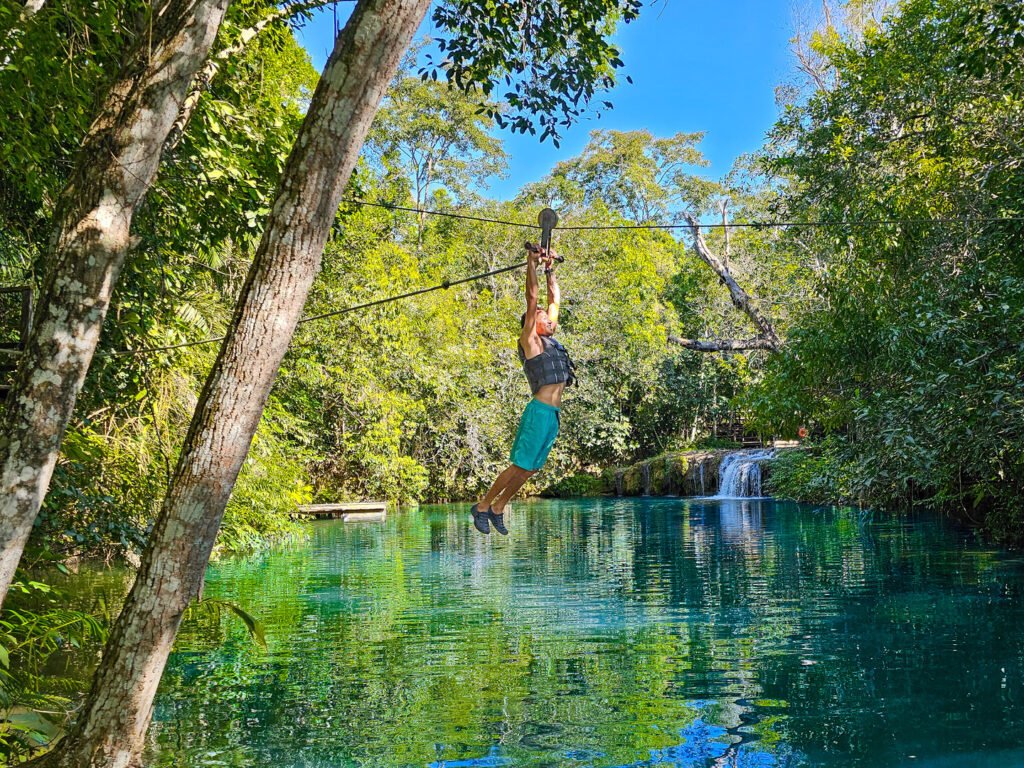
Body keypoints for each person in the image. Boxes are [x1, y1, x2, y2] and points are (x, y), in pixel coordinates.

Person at [470, 244, 575, 535]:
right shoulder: (530, 341)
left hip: (552, 415)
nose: (549, 320)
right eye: (544, 317)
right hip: (539, 412)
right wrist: (531, 263)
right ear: (533, 323)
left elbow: (554, 299)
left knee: (531, 469)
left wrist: (550, 267)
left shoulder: (551, 339)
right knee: (520, 465)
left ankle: (498, 507)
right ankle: (482, 506)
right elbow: (534, 298)